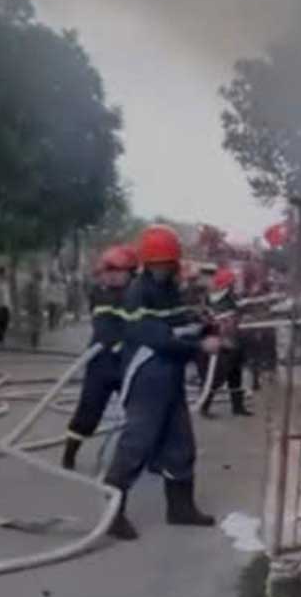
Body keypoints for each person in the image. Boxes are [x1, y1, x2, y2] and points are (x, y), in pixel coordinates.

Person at [103, 225, 221, 541]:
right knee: (137, 443)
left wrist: (205, 327)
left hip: (169, 378)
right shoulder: (137, 294)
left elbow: (180, 323)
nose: (168, 268)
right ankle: (112, 512)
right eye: (163, 263)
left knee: (181, 444)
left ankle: (180, 509)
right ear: (150, 263)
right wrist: (199, 348)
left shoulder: (169, 289)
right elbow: (157, 338)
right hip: (146, 377)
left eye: (171, 263)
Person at [62, 245, 139, 470]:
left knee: (140, 413)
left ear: (130, 271)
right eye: (106, 271)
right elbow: (105, 327)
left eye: (115, 270)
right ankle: (69, 455)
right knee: (88, 410)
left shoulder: (138, 294)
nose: (109, 275)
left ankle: (145, 458)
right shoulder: (100, 293)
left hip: (128, 363)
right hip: (101, 363)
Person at [199, 267, 251, 418]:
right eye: (232, 283)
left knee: (235, 377)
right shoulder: (222, 301)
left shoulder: (216, 298)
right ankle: (204, 406)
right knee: (216, 378)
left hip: (232, 343)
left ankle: (238, 407)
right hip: (223, 344)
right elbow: (225, 321)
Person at [25, 269, 45, 349]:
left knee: (35, 326)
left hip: (35, 309)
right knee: (35, 326)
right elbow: (37, 298)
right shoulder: (33, 286)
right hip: (36, 309)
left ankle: (35, 342)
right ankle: (34, 343)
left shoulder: (33, 285)